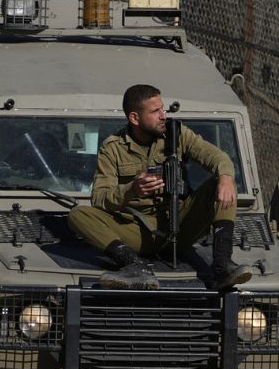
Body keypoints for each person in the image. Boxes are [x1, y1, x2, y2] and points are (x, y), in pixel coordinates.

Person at [67, 84, 253, 290]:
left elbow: (216, 156)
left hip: (181, 225)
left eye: (163, 109)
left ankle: (222, 266)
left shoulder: (177, 134)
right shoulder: (113, 148)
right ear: (135, 118)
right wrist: (132, 190)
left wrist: (225, 176)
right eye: (155, 111)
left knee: (222, 182)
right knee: (78, 214)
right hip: (138, 231)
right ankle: (134, 266)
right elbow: (100, 198)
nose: (163, 115)